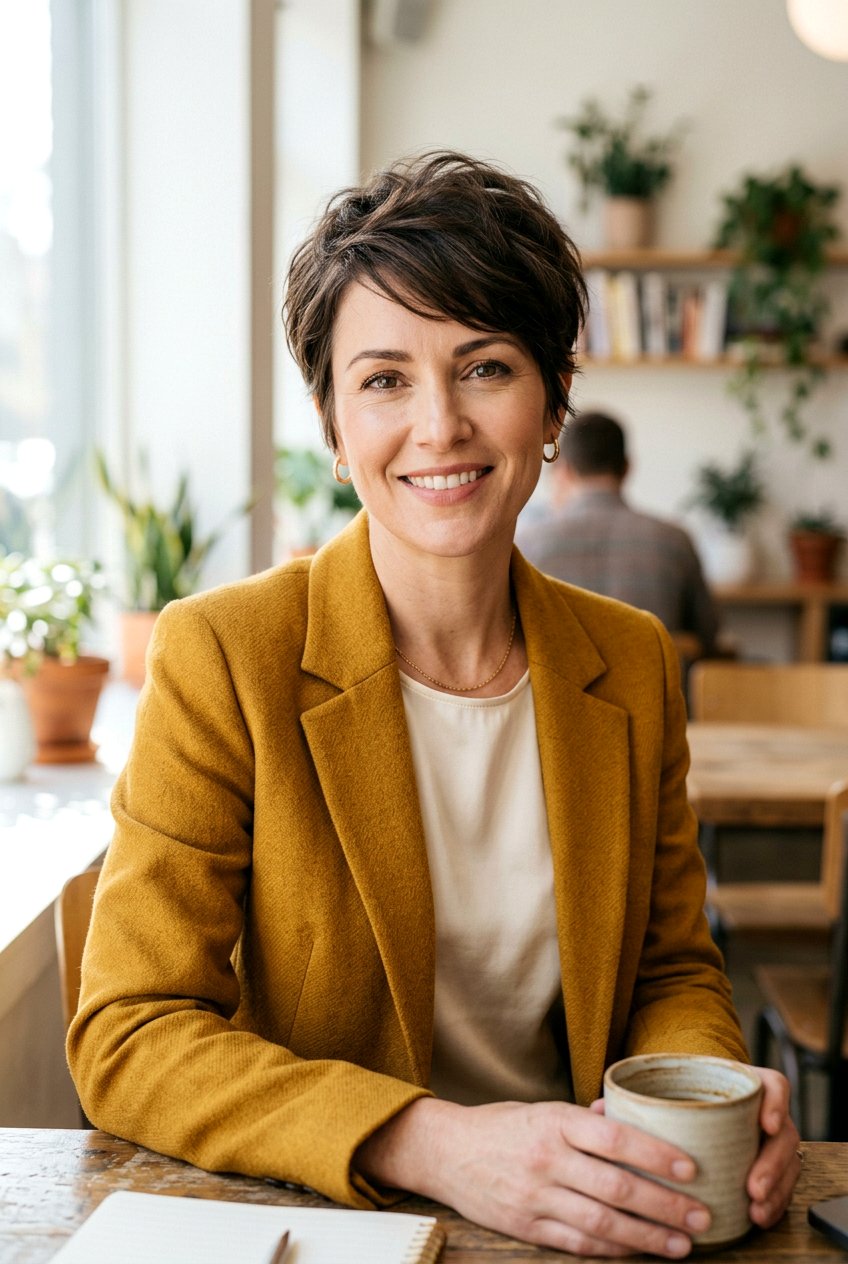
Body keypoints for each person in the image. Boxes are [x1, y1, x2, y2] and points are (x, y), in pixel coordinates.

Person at [68, 152, 799, 1259]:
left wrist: (704, 1094)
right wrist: (430, 1141)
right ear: (333, 424)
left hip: (578, 1219)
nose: (440, 424)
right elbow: (130, 1031)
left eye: (485, 367)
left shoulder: (630, 660)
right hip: (336, 1222)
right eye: (383, 380)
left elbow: (671, 972)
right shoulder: (225, 654)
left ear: (553, 402)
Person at [517, 411, 721, 656]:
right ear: (626, 468)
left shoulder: (529, 543)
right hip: (654, 680)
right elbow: (709, 634)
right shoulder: (675, 541)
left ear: (566, 469)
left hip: (561, 681)